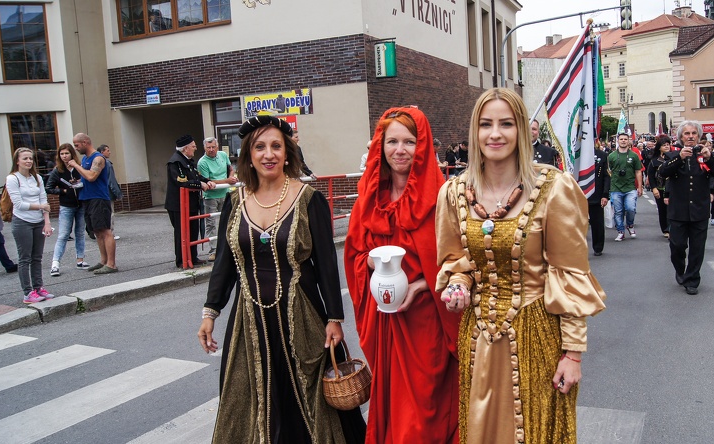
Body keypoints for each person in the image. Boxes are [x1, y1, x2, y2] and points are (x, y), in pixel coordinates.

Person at [435, 88, 606, 444]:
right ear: (474, 131)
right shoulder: (454, 191)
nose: (495, 134)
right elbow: (456, 259)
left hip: (536, 336)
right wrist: (458, 284)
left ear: (522, 131)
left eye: (506, 124)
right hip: (478, 340)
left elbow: (569, 274)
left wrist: (573, 354)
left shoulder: (553, 188)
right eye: (486, 124)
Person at [197, 116, 365, 443]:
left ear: (287, 153)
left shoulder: (309, 199)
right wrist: (210, 312)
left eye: (276, 146)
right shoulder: (235, 202)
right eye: (259, 147)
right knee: (251, 397)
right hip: (249, 320)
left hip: (302, 317)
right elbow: (224, 264)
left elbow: (326, 264)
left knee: (307, 399)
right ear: (249, 155)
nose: (268, 154)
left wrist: (334, 318)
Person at [344, 107, 461, 443]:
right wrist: (372, 262)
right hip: (384, 319)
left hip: (426, 318)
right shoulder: (368, 200)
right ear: (380, 146)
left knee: (425, 408)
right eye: (392, 141)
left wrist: (422, 284)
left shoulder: (442, 198)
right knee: (393, 404)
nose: (400, 150)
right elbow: (353, 254)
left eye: (409, 141)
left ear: (422, 146)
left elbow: (456, 262)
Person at [658, 120, 714, 295]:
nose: (690, 137)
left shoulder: (706, 155)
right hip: (678, 210)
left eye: (694, 133)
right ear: (681, 137)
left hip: (699, 209)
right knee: (677, 246)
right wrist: (679, 158)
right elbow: (663, 172)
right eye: (687, 134)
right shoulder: (673, 155)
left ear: (699, 136)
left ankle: (692, 279)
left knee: (697, 248)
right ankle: (680, 269)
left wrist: (710, 158)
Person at [6, 148, 54, 303]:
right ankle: (28, 292)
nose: (28, 161)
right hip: (22, 222)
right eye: (25, 158)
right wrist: (40, 207)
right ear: (17, 161)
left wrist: (47, 222)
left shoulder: (37, 178)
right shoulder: (13, 178)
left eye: (31, 158)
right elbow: (19, 204)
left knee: (37, 257)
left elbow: (43, 199)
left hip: (38, 221)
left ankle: (38, 287)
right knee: (24, 258)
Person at [68, 133, 118, 275]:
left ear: (85, 142)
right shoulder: (85, 159)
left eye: (77, 145)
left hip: (99, 199)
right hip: (87, 198)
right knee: (96, 231)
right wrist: (78, 182)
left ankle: (111, 264)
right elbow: (86, 178)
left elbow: (91, 176)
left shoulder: (98, 158)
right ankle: (103, 261)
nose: (76, 148)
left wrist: (76, 165)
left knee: (105, 230)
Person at [165, 135, 215, 268]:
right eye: (193, 146)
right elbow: (182, 182)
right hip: (178, 205)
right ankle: (182, 260)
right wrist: (199, 185)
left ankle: (193, 257)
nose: (195, 148)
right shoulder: (175, 162)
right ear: (185, 148)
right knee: (182, 233)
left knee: (193, 231)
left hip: (191, 204)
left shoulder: (188, 161)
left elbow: (197, 175)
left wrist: (207, 181)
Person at [45, 143, 88, 277]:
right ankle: (55, 263)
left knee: (80, 233)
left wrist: (79, 184)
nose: (64, 156)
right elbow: (49, 187)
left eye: (67, 153)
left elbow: (86, 180)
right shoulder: (58, 170)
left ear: (72, 154)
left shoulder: (78, 167)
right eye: (62, 154)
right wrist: (63, 191)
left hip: (80, 204)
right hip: (66, 206)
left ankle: (80, 260)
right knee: (63, 234)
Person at [197, 137, 235, 261]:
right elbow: (207, 181)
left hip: (225, 193)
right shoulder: (202, 162)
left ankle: (229, 247)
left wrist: (231, 177)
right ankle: (213, 251)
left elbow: (230, 169)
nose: (211, 149)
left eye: (213, 147)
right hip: (211, 197)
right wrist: (227, 181)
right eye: (208, 147)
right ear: (204, 148)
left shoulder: (223, 155)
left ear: (217, 146)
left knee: (229, 220)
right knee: (211, 224)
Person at [607, 133, 643, 241]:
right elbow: (608, 171)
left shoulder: (634, 155)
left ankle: (630, 225)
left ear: (629, 141)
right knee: (618, 211)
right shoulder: (611, 156)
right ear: (617, 141)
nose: (623, 141)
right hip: (616, 188)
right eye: (621, 139)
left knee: (631, 208)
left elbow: (638, 171)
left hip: (630, 187)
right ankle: (620, 231)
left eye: (625, 139)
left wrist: (640, 187)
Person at [646, 135, 673, 238]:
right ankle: (665, 229)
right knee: (662, 209)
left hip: (672, 189)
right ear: (659, 147)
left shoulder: (674, 158)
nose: (666, 146)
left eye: (668, 144)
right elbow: (651, 176)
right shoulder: (654, 161)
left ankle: (672, 229)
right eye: (664, 145)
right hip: (660, 188)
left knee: (672, 209)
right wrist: (654, 188)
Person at [96, 145, 122, 240]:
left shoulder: (95, 162)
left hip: (99, 192)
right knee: (110, 213)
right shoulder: (107, 163)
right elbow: (111, 180)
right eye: (107, 150)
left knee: (101, 213)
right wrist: (117, 193)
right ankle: (110, 234)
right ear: (102, 152)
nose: (109, 152)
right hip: (107, 192)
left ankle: (101, 233)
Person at [589, 142, 610, 256]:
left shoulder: (602, 155)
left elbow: (606, 176)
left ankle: (598, 247)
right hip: (579, 195)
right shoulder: (576, 155)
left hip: (596, 195)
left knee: (597, 223)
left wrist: (605, 194)